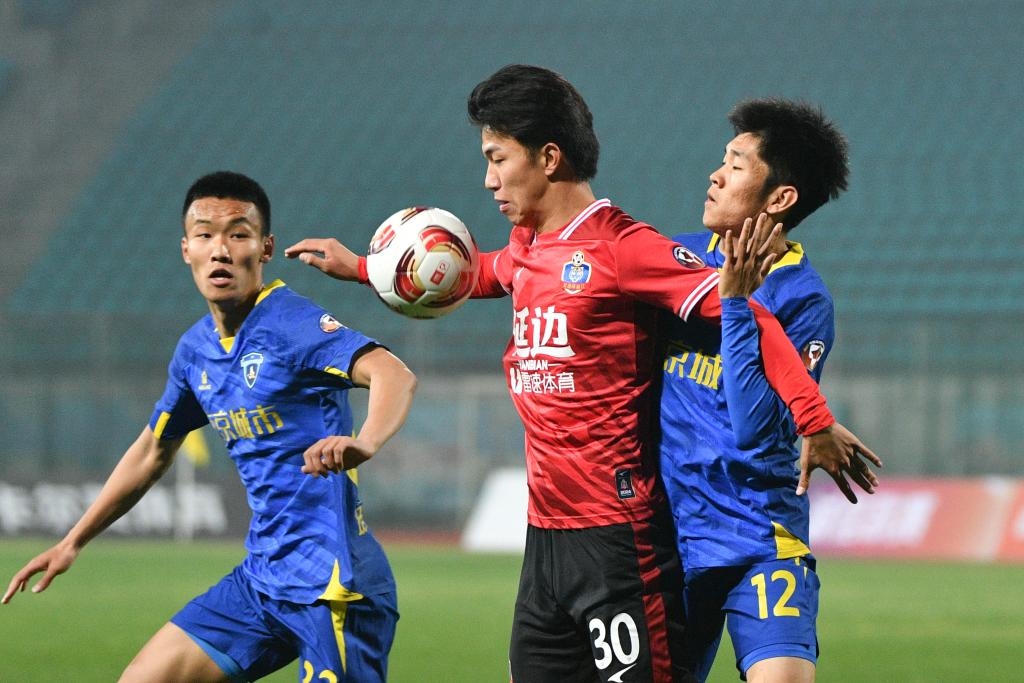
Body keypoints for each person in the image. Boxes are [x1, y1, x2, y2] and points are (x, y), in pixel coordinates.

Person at [285, 66, 875, 683]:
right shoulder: (529, 246)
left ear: (548, 157)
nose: (488, 179)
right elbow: (484, 273)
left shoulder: (628, 250)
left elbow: (751, 326)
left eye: (497, 159)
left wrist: (813, 418)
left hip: (644, 537)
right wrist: (368, 268)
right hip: (556, 537)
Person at [2, 171, 417, 683]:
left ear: (265, 249)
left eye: (238, 234)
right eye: (205, 235)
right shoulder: (195, 350)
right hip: (261, 582)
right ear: (186, 250)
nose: (221, 250)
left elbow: (392, 373)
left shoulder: (291, 324)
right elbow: (153, 451)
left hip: (334, 586)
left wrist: (366, 440)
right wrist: (73, 541)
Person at [659, 99, 869, 682]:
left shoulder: (803, 299)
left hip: (759, 535)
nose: (715, 176)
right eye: (722, 161)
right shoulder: (676, 260)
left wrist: (733, 303)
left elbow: (753, 429)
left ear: (780, 198)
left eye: (735, 165)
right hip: (669, 538)